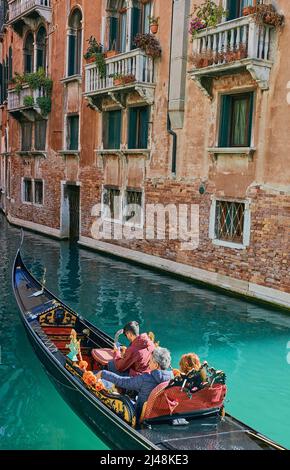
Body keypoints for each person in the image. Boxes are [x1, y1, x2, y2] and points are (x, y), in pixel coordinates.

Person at [96, 347, 173, 421]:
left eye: (150, 361)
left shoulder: (146, 379)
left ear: (156, 365)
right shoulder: (172, 378)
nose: (148, 363)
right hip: (158, 416)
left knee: (112, 391)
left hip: (138, 414)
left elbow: (123, 382)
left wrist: (103, 373)